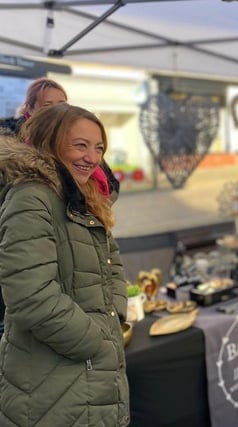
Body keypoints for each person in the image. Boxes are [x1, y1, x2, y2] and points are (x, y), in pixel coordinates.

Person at [0, 104, 130, 426]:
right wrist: (97, 342)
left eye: (99, 148)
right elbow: (31, 296)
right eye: (80, 145)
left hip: (88, 374)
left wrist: (116, 310)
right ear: (50, 141)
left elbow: (111, 262)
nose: (92, 157)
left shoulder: (83, 196)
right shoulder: (31, 197)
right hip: (52, 379)